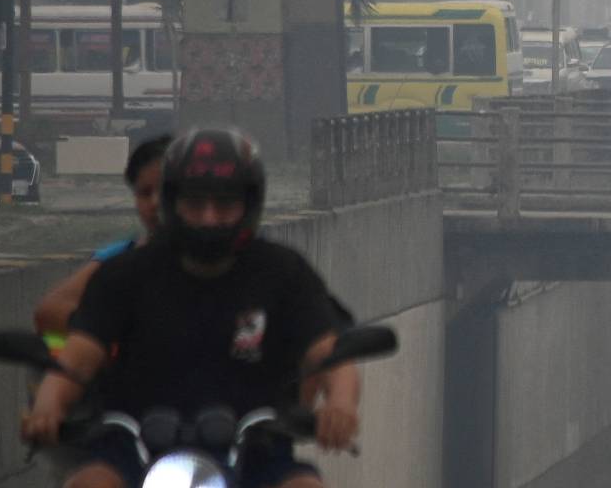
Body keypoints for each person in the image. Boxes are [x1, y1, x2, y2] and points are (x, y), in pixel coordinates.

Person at [20, 127, 365, 488]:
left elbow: (330, 354)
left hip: (257, 456)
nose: (209, 218)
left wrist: (340, 404)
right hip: (131, 453)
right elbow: (76, 357)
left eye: (224, 204)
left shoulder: (283, 272)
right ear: (172, 202)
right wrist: (49, 404)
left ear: (250, 205)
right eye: (195, 204)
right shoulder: (124, 274)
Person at [33, 135, 170, 337]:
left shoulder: (222, 257)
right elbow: (49, 313)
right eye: (145, 193)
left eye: (166, 191)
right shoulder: (118, 259)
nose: (155, 203)